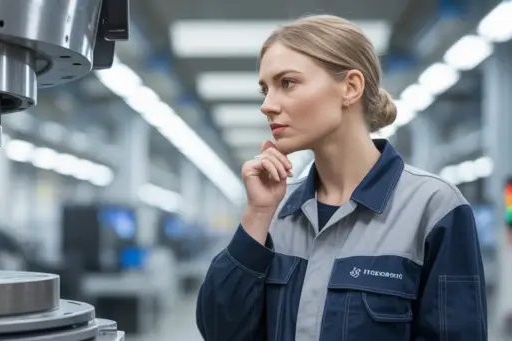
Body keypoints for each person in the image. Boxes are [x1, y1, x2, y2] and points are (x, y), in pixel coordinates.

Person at [195, 15, 488, 341]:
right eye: (265, 89)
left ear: (350, 87)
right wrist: (257, 214)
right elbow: (220, 331)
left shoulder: (433, 208)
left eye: (287, 83)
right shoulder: (276, 210)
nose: (267, 105)